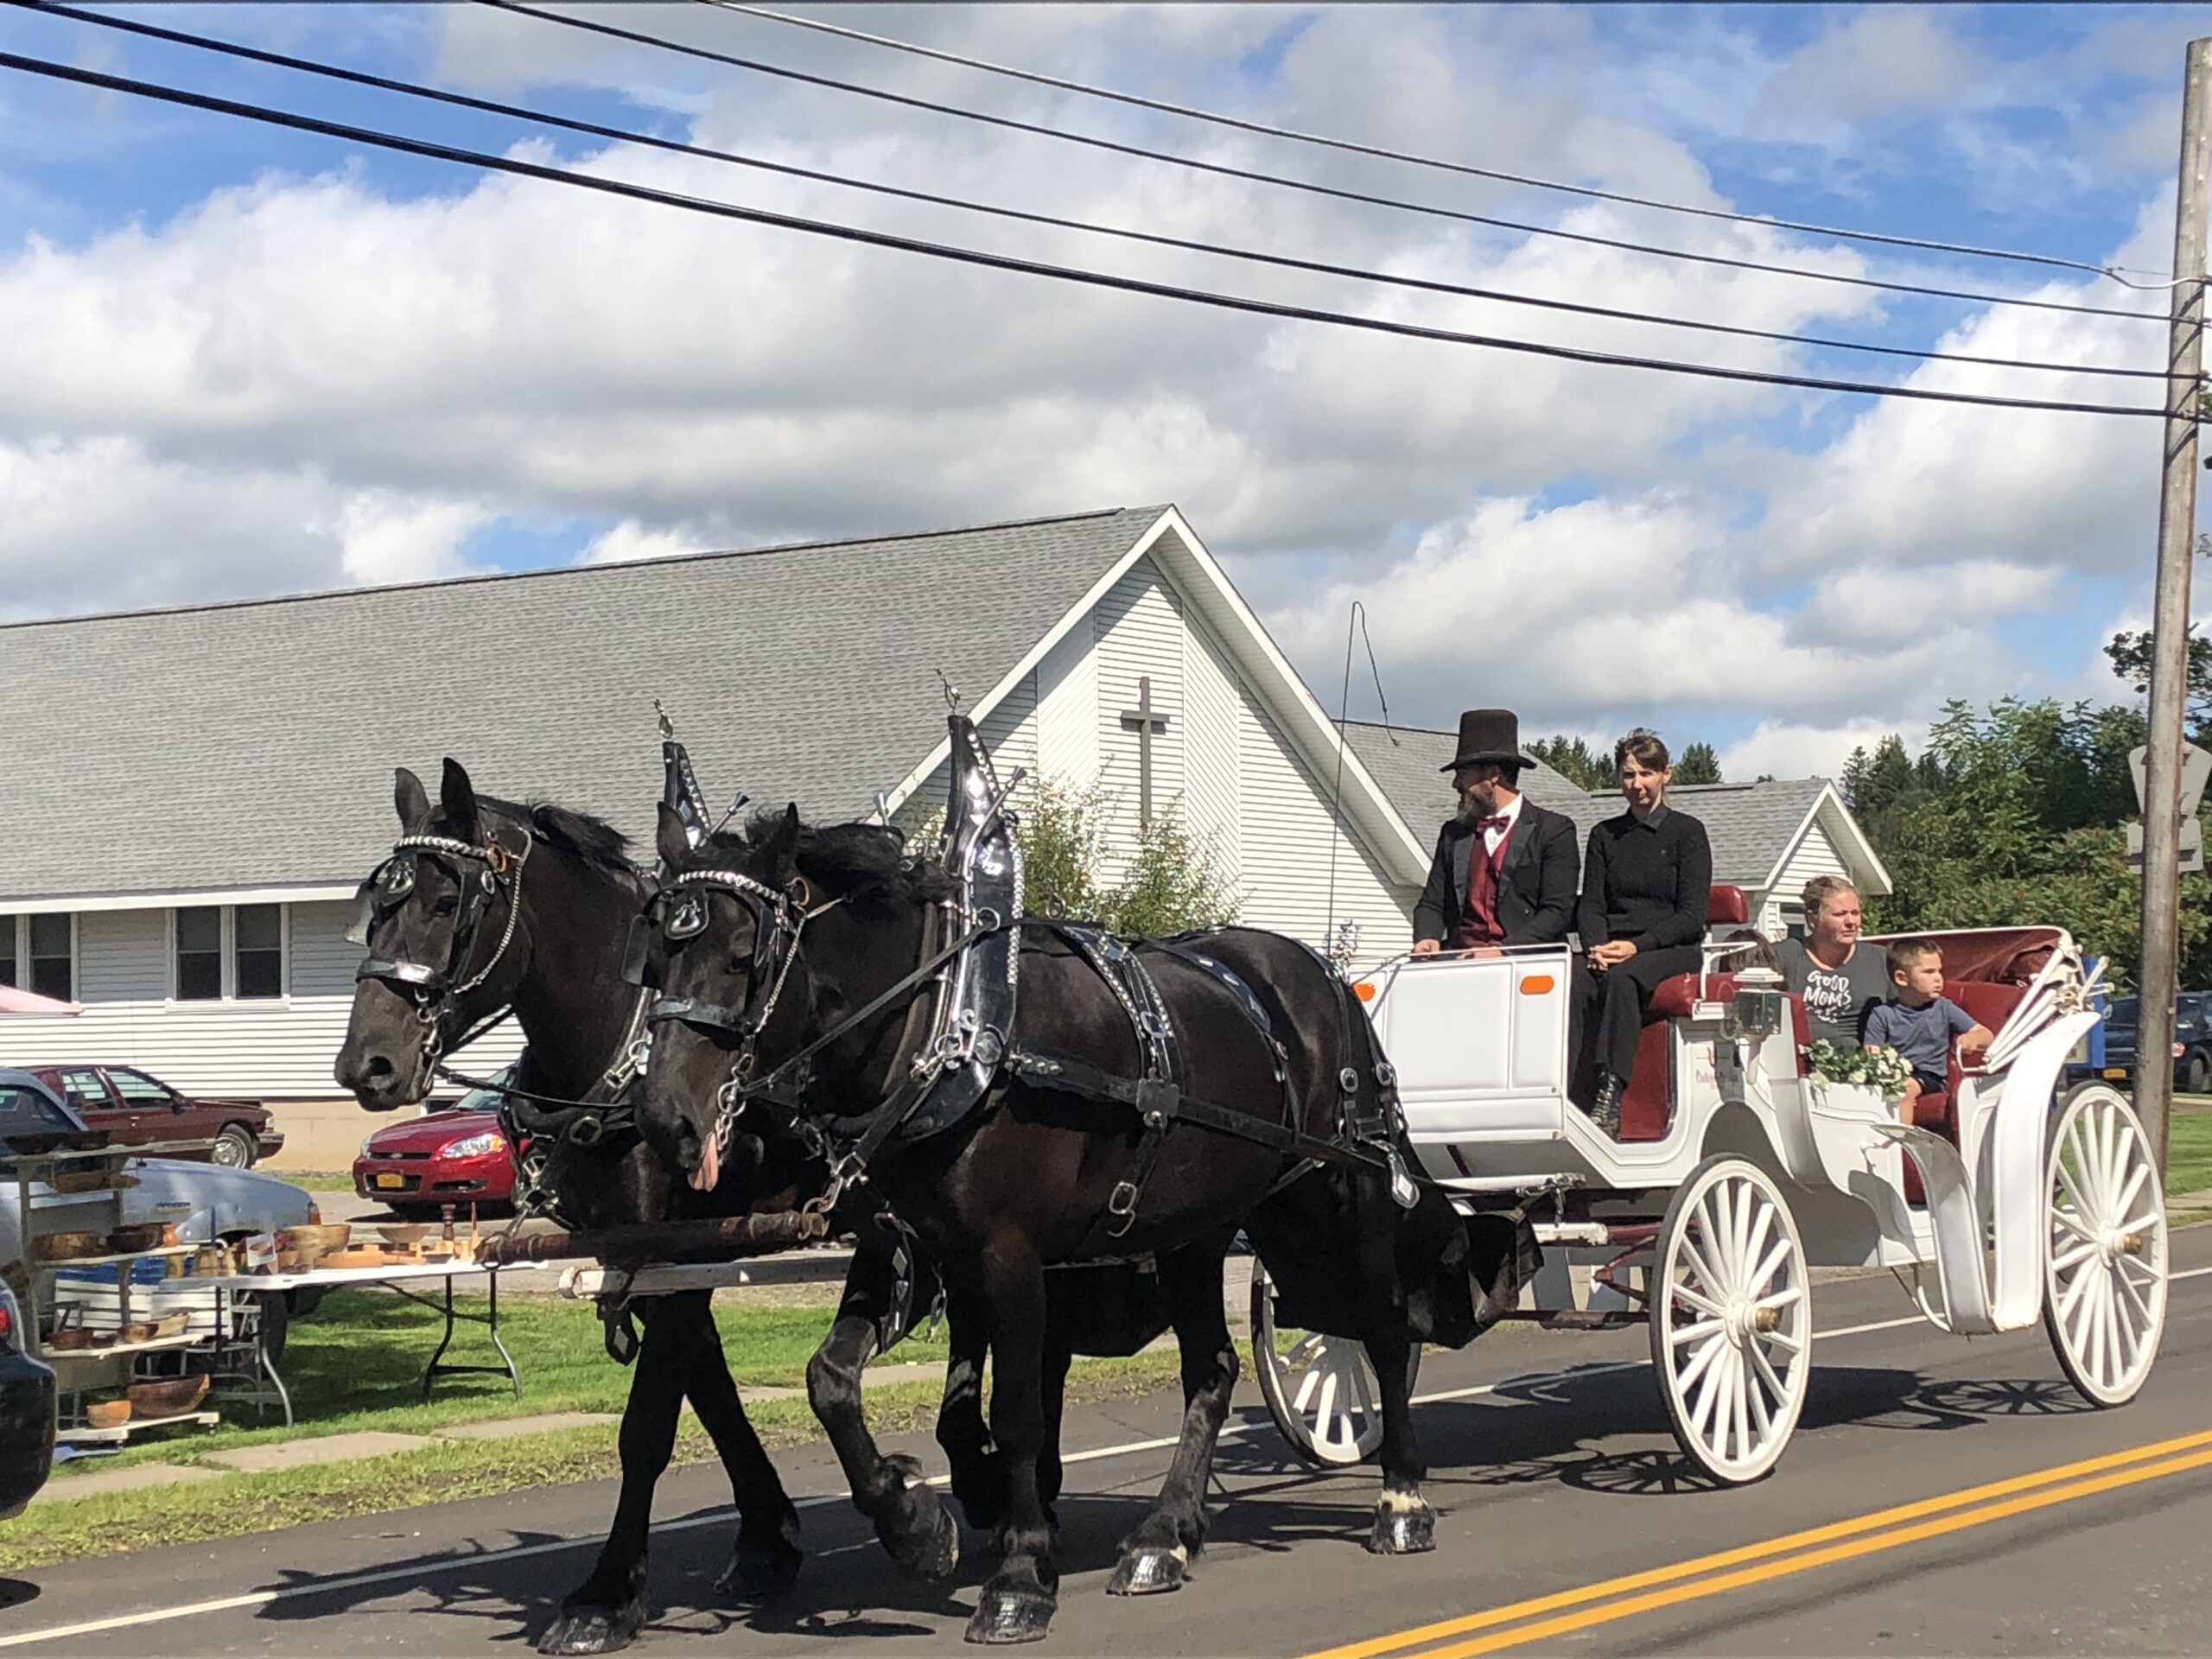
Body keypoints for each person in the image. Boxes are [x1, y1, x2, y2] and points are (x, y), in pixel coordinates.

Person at [1574, 729, 1713, 1136]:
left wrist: (1635, 947)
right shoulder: (1605, 835)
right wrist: (1595, 948)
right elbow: (1592, 904)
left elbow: (1692, 915)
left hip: (1671, 946)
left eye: (1646, 774)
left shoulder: (1687, 833)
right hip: (1612, 945)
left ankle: (1609, 1094)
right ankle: (1567, 1087)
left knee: (1622, 978)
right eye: (1628, 775)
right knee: (1574, 980)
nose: (1636, 785)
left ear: (1666, 775)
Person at [1412, 709, 1580, 956]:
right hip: (1460, 957)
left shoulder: (1554, 830)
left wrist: (1503, 950)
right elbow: (1431, 903)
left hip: (1530, 960)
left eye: (1463, 774)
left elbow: (1557, 912)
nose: (1456, 785)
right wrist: (1427, 937)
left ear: (1493, 776)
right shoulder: (1453, 833)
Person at [1863, 938, 1995, 1123]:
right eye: (1928, 972)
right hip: (1894, 1073)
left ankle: (1901, 1145)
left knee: (1905, 1089)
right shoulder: (1882, 1014)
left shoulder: (1943, 1008)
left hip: (1931, 1077)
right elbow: (1872, 1053)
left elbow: (1986, 1035)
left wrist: (1972, 1039)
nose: (1938, 978)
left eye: (1939, 971)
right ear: (1902, 978)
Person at [1774, 876, 1890, 1047]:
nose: (1851, 922)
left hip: (1863, 1064)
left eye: (1855, 913)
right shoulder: (1784, 955)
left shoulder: (1881, 960)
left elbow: (1906, 1016)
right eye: (1840, 914)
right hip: (1794, 1063)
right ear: (1812, 920)